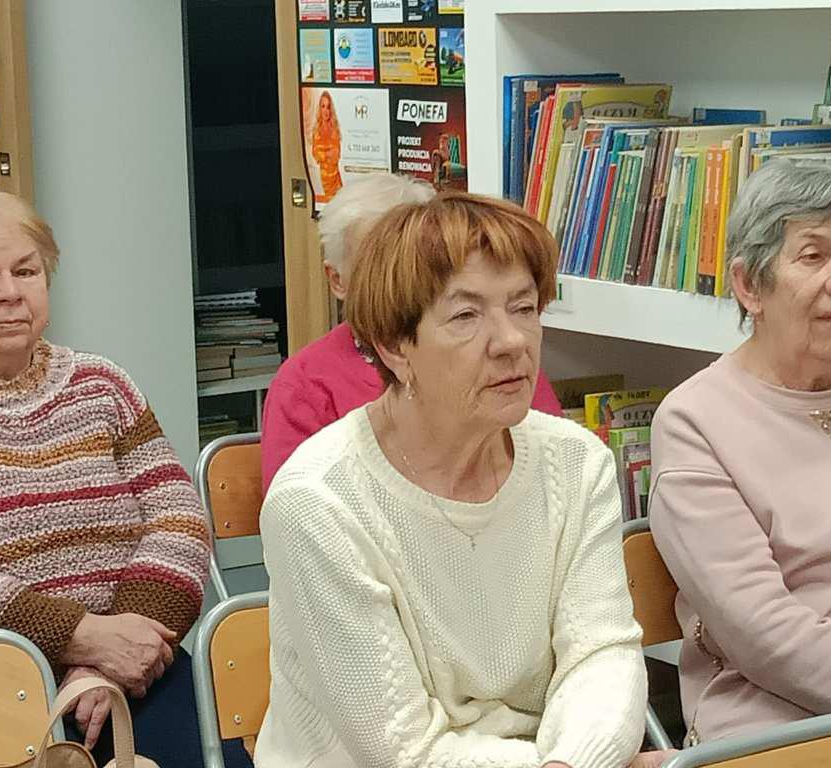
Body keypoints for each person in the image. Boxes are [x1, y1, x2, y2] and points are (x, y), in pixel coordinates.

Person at [255, 191, 658, 768]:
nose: (512, 341)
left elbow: (602, 653)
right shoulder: (318, 501)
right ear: (395, 346)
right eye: (466, 316)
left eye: (524, 307)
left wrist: (573, 762)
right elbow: (402, 749)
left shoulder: (575, 462)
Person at [0, 191, 242, 768]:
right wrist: (85, 639)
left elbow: (179, 521)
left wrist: (116, 657)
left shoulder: (102, 385)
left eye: (26, 270)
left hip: (139, 667)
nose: (10, 291)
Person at [649, 161, 831, 744]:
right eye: (814, 255)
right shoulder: (696, 423)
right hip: (781, 720)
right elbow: (762, 633)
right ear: (750, 285)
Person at [260, 173, 563, 491]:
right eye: (376, 265)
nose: (397, 279)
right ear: (337, 279)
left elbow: (548, 467)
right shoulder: (304, 385)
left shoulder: (504, 362)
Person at [311, 90, 343, 200]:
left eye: (328, 107)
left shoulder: (335, 130)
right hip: (324, 180)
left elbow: (336, 155)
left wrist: (325, 154)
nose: (326, 110)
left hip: (336, 179)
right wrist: (327, 154)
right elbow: (316, 155)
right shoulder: (316, 131)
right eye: (323, 106)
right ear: (319, 109)